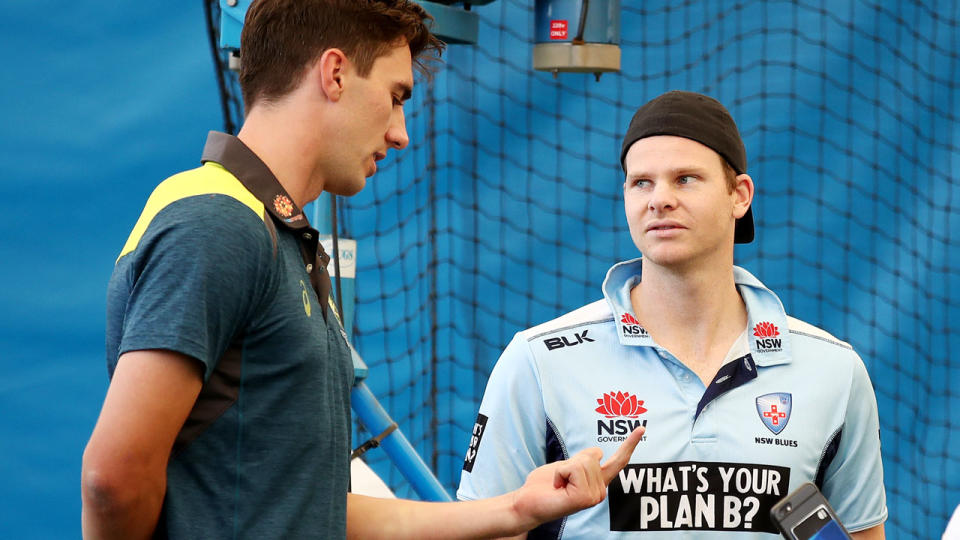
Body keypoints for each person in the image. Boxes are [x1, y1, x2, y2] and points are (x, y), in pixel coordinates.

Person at [79, 1, 644, 538]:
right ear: (335, 73)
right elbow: (113, 479)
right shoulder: (218, 223)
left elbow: (312, 511)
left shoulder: (267, 231)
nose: (401, 132)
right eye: (396, 96)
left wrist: (517, 508)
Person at [457, 90, 887, 539]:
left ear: (739, 195)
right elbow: (487, 530)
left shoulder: (834, 370)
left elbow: (865, 534)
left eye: (685, 179)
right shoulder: (538, 361)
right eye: (641, 182)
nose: (659, 199)